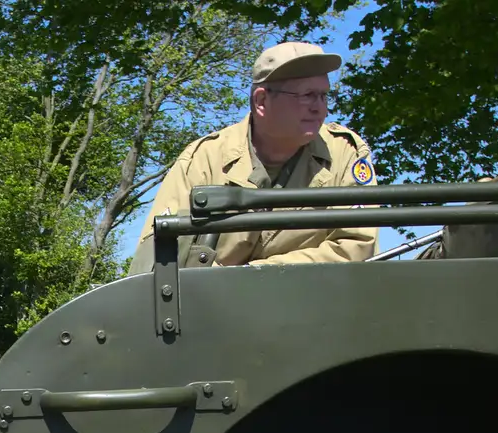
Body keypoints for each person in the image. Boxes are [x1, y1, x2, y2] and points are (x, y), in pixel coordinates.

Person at [137, 40, 379, 267]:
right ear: (262, 101)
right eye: (307, 96)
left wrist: (252, 278)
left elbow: (355, 245)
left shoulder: (344, 152)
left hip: (314, 305)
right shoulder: (205, 158)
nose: (320, 108)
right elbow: (158, 256)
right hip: (211, 307)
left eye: (324, 96)